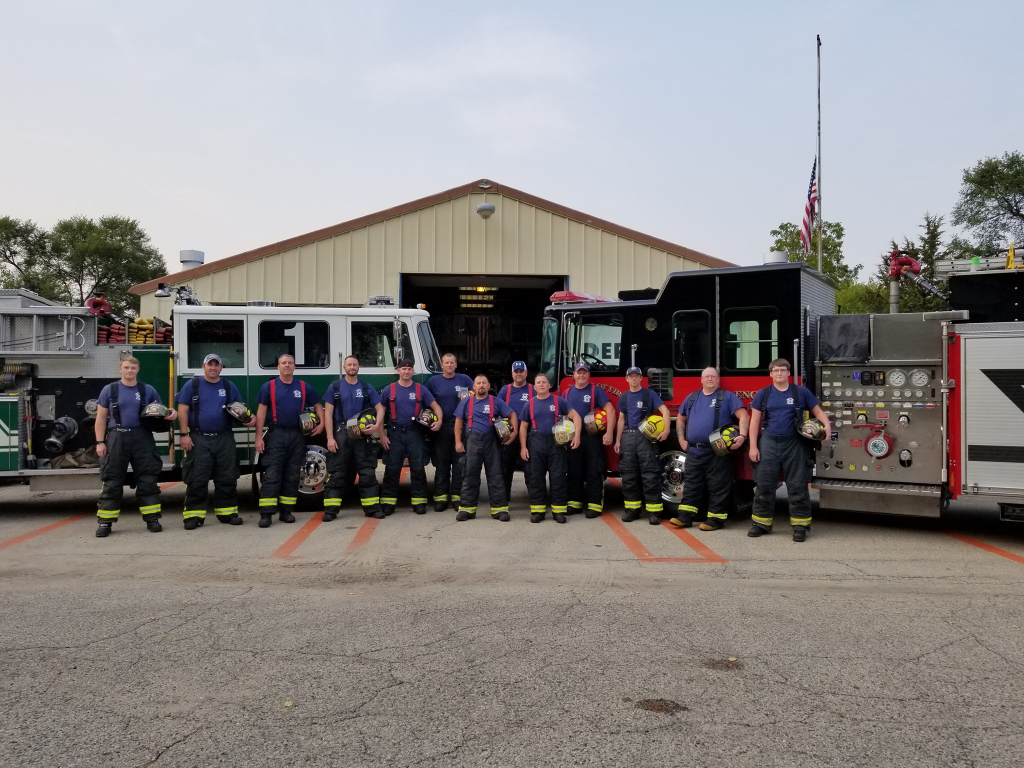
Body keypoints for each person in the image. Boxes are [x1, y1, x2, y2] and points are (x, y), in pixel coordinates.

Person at [747, 358, 831, 542]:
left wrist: (827, 426)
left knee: (798, 485)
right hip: (768, 442)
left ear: (788, 373)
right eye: (776, 370)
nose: (779, 373)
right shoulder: (763, 394)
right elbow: (754, 422)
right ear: (770, 374)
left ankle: (800, 526)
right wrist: (753, 446)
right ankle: (761, 524)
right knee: (764, 484)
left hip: (795, 444)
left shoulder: (801, 392)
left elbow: (818, 411)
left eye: (783, 370)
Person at [94, 356, 177, 537]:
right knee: (112, 480)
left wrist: (171, 414)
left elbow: (161, 412)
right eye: (126, 367)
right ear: (120, 368)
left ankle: (152, 519)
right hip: (116, 437)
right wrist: (100, 442)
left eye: (133, 368)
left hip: (142, 437)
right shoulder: (109, 390)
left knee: (148, 479)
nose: (129, 371)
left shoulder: (148, 390)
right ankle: (105, 522)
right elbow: (100, 418)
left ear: (138, 370)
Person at [175, 353, 254, 530]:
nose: (213, 368)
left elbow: (239, 410)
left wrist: (249, 419)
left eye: (216, 365)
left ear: (221, 368)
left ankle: (227, 513)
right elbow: (182, 410)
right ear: (203, 367)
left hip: (224, 437)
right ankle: (193, 516)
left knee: (227, 477)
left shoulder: (228, 386)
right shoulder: (192, 385)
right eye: (209, 364)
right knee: (197, 478)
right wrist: (184, 435)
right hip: (198, 438)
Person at [671, 367, 749, 531]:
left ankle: (715, 519)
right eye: (706, 376)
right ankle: (685, 517)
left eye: (713, 376)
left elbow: (744, 415)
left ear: (718, 379)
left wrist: (742, 436)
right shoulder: (692, 398)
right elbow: (680, 419)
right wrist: (681, 439)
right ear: (701, 379)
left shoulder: (727, 397)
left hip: (718, 452)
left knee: (718, 485)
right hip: (693, 451)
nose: (710, 379)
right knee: (692, 484)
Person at [254, 354, 325, 528]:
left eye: (290, 363)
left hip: (297, 435)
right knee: (272, 475)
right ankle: (267, 513)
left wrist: (322, 424)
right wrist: (258, 437)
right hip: (276, 434)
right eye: (284, 363)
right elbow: (261, 413)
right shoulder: (268, 387)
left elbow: (317, 405)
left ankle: (286, 511)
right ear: (278, 367)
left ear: (294, 367)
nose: (287, 366)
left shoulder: (303, 386)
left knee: (292, 475)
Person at [322, 355, 386, 521]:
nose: (352, 367)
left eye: (355, 364)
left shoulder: (366, 387)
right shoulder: (334, 387)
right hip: (341, 434)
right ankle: (330, 510)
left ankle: (372, 508)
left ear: (358, 367)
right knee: (337, 473)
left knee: (366, 472)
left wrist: (376, 425)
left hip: (362, 435)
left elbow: (380, 409)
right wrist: (330, 438)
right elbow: (327, 413)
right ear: (344, 368)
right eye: (349, 364)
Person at [379, 359, 443, 515]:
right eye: (403, 369)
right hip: (395, 434)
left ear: (413, 371)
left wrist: (439, 421)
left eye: (409, 369)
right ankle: (388, 502)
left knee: (417, 468)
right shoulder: (389, 390)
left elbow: (436, 407)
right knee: (392, 469)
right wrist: (381, 435)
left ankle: (419, 502)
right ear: (398, 370)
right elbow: (380, 413)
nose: (406, 371)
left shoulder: (421, 390)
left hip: (415, 433)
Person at [454, 374, 518, 522]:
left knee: (496, 475)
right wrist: (458, 442)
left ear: (489, 386)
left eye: (484, 383)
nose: (481, 385)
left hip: (492, 443)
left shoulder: (497, 402)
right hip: (472, 442)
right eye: (478, 383)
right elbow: (458, 423)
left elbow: (512, 415)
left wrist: (513, 434)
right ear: (474, 387)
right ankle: (467, 509)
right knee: (470, 475)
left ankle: (499, 510)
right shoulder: (466, 403)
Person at [518, 373, 580, 524]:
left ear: (548, 385)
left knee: (558, 478)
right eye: (538, 382)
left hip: (556, 445)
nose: (541, 385)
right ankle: (538, 512)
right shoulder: (529, 404)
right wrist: (523, 447)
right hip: (536, 444)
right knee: (536, 478)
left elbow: (576, 417)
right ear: (534, 387)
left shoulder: (559, 401)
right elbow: (523, 427)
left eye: (543, 382)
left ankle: (558, 512)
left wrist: (577, 436)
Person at [614, 366, 670, 524]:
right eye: (630, 376)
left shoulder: (649, 394)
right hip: (628, 438)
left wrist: (665, 431)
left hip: (646, 438)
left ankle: (654, 513)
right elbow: (620, 420)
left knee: (650, 475)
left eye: (636, 376)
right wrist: (618, 440)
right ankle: (632, 510)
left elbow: (665, 411)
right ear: (626, 379)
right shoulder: (623, 397)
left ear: (641, 378)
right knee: (629, 476)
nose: (633, 379)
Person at [563, 362, 616, 518]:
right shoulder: (566, 393)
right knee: (574, 470)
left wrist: (609, 433)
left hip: (592, 437)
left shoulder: (596, 391)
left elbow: (611, 411)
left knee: (594, 469)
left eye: (584, 372)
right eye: (578, 372)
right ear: (573, 375)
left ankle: (594, 505)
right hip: (573, 437)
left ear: (588, 375)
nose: (581, 375)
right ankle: (574, 503)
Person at [426, 353, 473, 512]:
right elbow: (426, 402)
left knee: (459, 463)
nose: (449, 365)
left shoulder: (465, 380)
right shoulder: (433, 382)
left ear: (456, 364)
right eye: (446, 362)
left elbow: (475, 400)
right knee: (442, 463)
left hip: (460, 426)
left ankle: (457, 497)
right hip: (442, 427)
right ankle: (440, 498)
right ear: (441, 365)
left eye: (452, 362)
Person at [497, 361, 535, 501]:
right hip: (509, 436)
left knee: (530, 471)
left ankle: (534, 500)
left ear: (526, 373)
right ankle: (503, 500)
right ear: (512, 374)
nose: (518, 374)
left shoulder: (533, 390)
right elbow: (497, 411)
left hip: (529, 436)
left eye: (521, 371)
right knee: (505, 469)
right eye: (516, 372)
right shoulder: (505, 391)